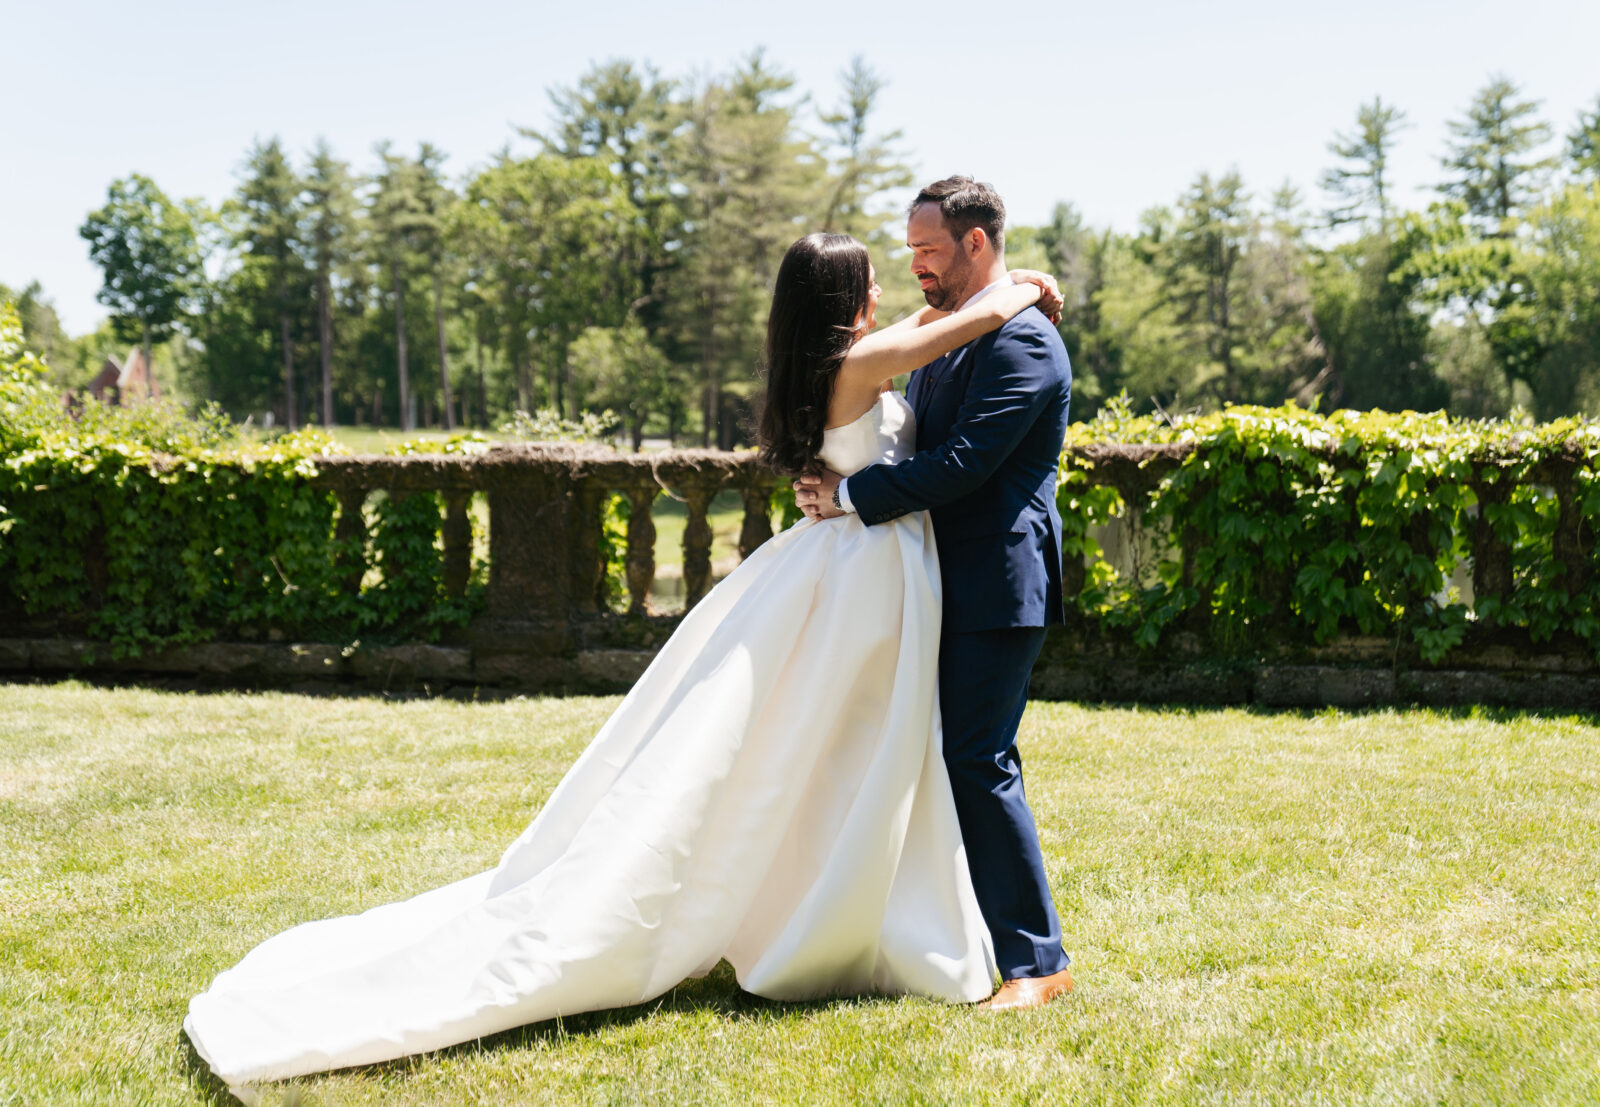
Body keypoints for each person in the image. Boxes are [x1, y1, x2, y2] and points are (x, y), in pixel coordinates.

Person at [183, 230, 1061, 1095]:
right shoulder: (869, 360)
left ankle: (839, 903)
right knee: (851, 743)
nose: (890, 287)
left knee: (835, 747)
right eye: (871, 279)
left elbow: (923, 327)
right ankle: (849, 913)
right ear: (846, 302)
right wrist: (1023, 286)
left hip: (851, 565)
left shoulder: (828, 356)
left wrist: (995, 293)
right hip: (866, 576)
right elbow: (941, 332)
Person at [795, 176, 1076, 1011]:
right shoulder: (951, 332)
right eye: (911, 249)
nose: (915, 263)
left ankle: (1038, 963)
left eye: (928, 249)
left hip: (997, 581)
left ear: (977, 243)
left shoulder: (1024, 343)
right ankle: (941, 935)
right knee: (933, 759)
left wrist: (847, 498)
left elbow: (962, 466)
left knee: (979, 761)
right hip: (932, 582)